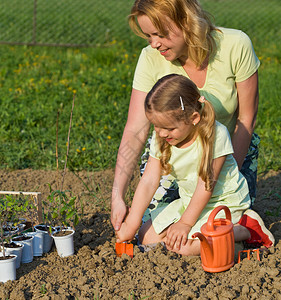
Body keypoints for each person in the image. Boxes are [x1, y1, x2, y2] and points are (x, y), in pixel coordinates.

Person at [111, 0, 260, 233]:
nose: (154, 44)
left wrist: (228, 176)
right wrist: (117, 195)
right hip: (175, 152)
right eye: (148, 36)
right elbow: (134, 130)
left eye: (159, 34)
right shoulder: (150, 57)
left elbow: (246, 118)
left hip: (226, 152)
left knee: (206, 228)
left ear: (186, 21)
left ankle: (243, 226)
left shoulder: (236, 45)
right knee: (151, 231)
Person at [115, 74, 274, 255]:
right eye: (156, 126)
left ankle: (246, 230)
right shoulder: (162, 137)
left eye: (169, 128)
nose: (160, 133)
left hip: (223, 202)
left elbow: (205, 185)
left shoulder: (215, 135)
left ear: (194, 118)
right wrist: (132, 222)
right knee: (146, 236)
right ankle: (219, 242)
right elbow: (149, 180)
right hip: (190, 200)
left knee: (181, 247)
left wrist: (185, 223)